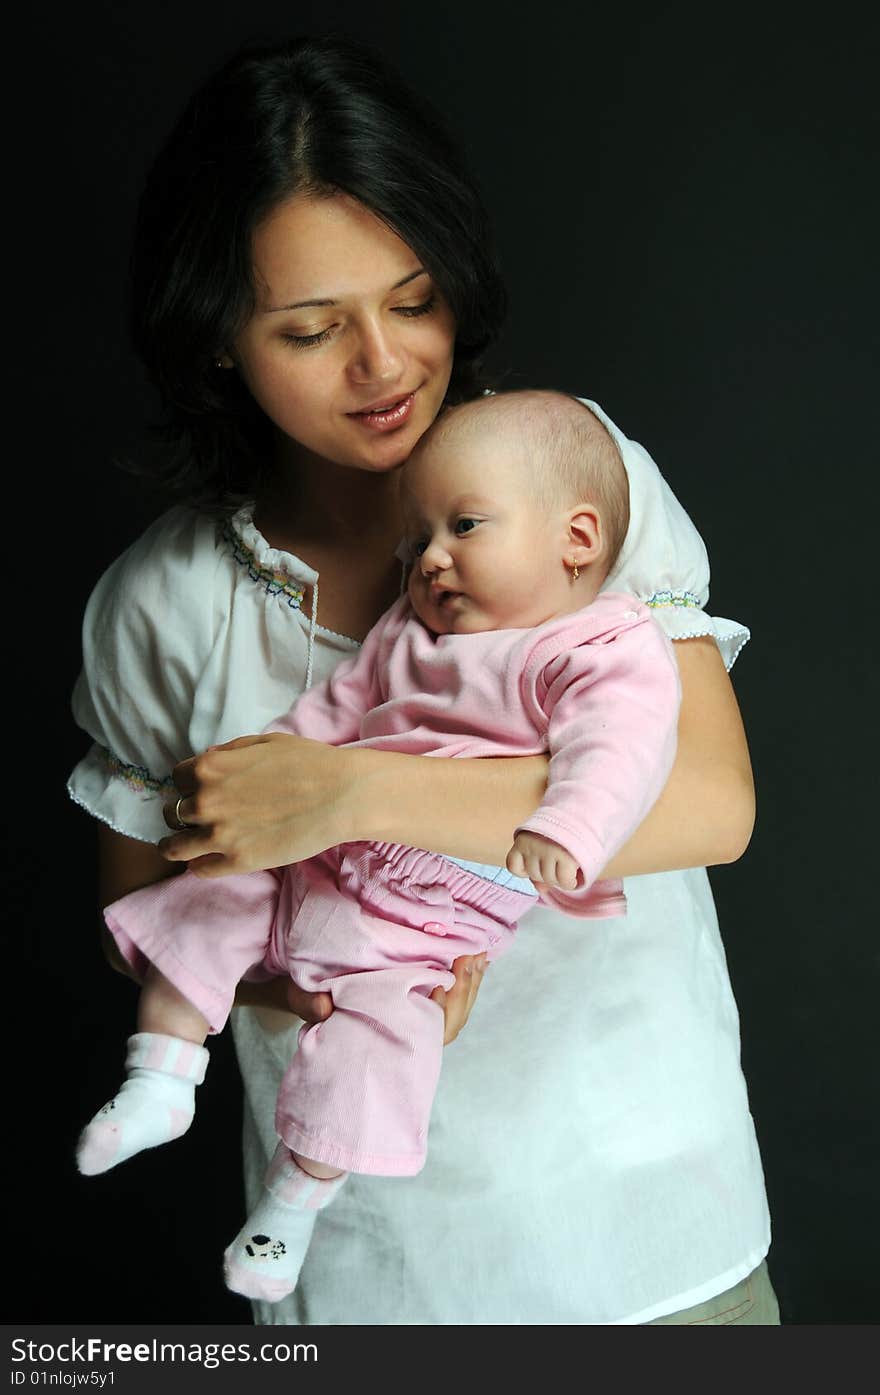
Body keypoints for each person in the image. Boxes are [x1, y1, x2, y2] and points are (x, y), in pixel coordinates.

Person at [68, 35, 777, 1323]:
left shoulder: (576, 483)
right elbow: (143, 905)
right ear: (219, 339)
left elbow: (709, 807)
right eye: (308, 327)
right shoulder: (160, 604)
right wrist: (325, 973)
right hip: (370, 1265)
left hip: (650, 1219)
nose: (384, 364)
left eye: (411, 300)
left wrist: (351, 795)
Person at [76, 389, 682, 1304]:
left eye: (465, 525)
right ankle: (161, 1075)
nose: (430, 557)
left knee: (380, 1043)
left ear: (579, 538)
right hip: (319, 858)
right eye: (421, 534)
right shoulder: (414, 626)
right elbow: (338, 708)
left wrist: (568, 827)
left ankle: (290, 1210)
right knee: (202, 899)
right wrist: (272, 763)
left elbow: (622, 750)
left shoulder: (599, 644)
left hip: (427, 916)